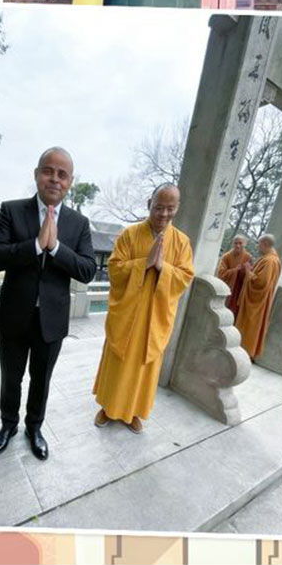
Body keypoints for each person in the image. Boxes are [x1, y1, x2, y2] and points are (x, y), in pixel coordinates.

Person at [0, 147, 98, 461]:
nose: (55, 179)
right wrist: (34, 245)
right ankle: (8, 426)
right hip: (14, 316)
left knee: (41, 379)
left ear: (70, 182)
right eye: (49, 171)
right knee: (11, 377)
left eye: (62, 174)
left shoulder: (78, 223)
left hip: (52, 319)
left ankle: (35, 428)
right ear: (37, 174)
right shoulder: (12, 210)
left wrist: (56, 247)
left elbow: (88, 270)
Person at [93, 185, 194, 433]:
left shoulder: (181, 242)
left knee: (143, 368)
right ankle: (108, 407)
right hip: (126, 316)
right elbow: (115, 269)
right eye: (159, 207)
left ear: (177, 208)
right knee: (118, 363)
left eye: (170, 208)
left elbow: (185, 276)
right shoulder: (129, 235)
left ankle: (134, 412)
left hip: (154, 318)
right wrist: (143, 264)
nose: (164, 213)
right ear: (150, 203)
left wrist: (163, 268)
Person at [234, 234, 282, 362]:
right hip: (259, 301)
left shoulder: (270, 261)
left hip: (256, 302)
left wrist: (249, 271)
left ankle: (245, 351)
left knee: (250, 325)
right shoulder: (269, 258)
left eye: (259, 244)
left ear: (265, 244)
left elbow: (261, 283)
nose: (257, 246)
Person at [215, 235, 252, 315]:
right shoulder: (226, 256)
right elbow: (221, 273)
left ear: (244, 244)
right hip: (228, 287)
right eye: (235, 243)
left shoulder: (248, 257)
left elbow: (251, 274)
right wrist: (235, 271)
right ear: (232, 244)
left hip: (240, 290)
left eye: (240, 243)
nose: (238, 245)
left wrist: (245, 271)